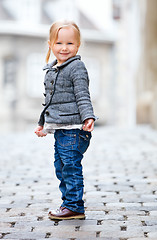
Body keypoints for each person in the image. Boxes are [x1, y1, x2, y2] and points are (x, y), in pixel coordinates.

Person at [35, 20, 96, 220]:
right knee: (61, 167)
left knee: (70, 167)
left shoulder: (76, 67)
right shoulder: (53, 69)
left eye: (70, 43)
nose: (64, 48)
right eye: (59, 43)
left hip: (73, 129)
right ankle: (68, 203)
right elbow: (50, 100)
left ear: (78, 46)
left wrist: (88, 116)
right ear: (51, 44)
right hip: (61, 129)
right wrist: (43, 123)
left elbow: (82, 94)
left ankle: (74, 206)